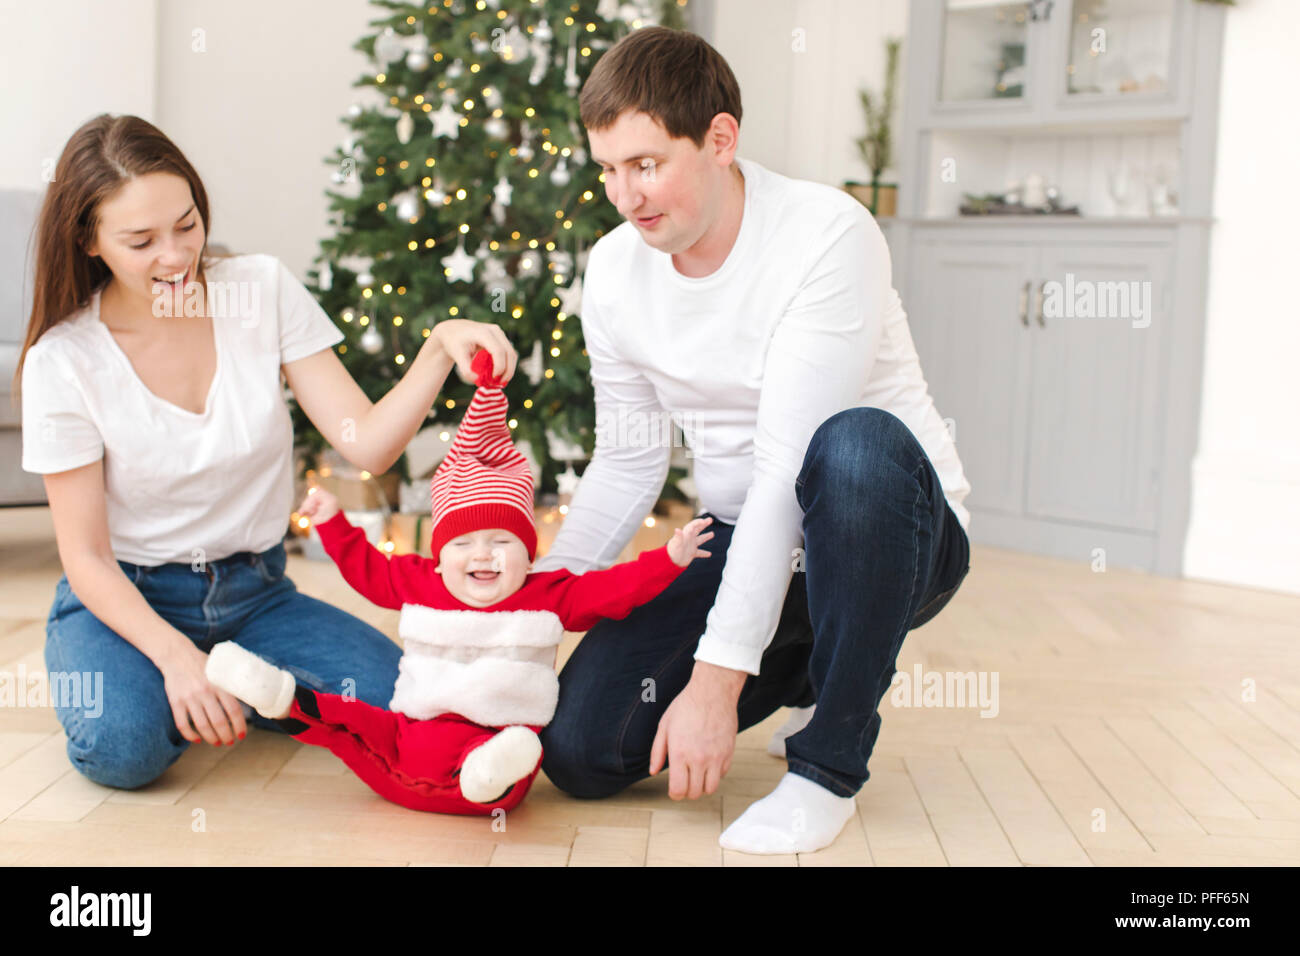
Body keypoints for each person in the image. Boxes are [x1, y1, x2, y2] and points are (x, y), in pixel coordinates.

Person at [531, 27, 973, 854]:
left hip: (891, 533)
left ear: (721, 140)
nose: (625, 196)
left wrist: (715, 679)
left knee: (853, 447)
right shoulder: (616, 271)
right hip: (743, 541)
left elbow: (783, 471)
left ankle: (828, 766)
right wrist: (531, 610)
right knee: (583, 749)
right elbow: (628, 461)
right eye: (609, 171)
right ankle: (809, 661)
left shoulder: (826, 234)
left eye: (647, 164)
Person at [15, 113, 516, 789]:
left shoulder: (260, 289)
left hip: (254, 596)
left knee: (406, 700)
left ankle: (239, 684)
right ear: (89, 240)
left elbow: (365, 446)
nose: (176, 255)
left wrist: (435, 349)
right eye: (141, 240)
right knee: (123, 749)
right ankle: (201, 683)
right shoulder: (65, 361)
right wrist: (175, 659)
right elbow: (87, 558)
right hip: (129, 595)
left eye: (186, 224)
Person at [204, 350, 715, 815]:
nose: (483, 555)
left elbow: (612, 591)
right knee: (352, 722)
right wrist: (334, 522)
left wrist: (667, 560)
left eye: (502, 541)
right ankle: (279, 695)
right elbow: (367, 571)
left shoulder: (548, 594)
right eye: (463, 544)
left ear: (528, 549)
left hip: (489, 759)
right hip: (403, 744)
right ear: (440, 553)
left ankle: (484, 770)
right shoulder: (421, 580)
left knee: (511, 753)